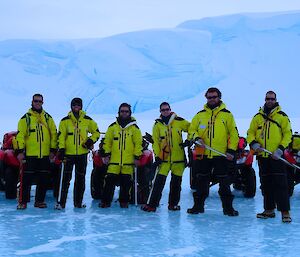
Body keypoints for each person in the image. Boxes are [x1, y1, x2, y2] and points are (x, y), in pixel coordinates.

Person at [187, 87, 239, 216]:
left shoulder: (227, 115)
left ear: (219, 97)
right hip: (204, 155)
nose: (212, 99)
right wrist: (196, 138)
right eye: (209, 97)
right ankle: (198, 207)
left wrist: (231, 150)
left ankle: (228, 209)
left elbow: (233, 134)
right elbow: (191, 130)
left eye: (214, 97)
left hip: (221, 156)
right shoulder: (200, 115)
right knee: (201, 183)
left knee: (224, 184)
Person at [247, 91, 292, 223]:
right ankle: (269, 210)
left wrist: (280, 150)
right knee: (266, 185)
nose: (270, 101)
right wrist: (254, 144)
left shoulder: (282, 117)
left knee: (281, 185)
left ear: (276, 100)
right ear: (265, 99)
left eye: (272, 99)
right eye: (268, 98)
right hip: (263, 157)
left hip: (276, 157)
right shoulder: (257, 117)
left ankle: (285, 212)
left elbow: (287, 135)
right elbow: (250, 133)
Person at [142, 102, 190, 212]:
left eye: (167, 109)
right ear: (160, 111)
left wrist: (189, 140)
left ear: (170, 109)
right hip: (164, 160)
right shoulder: (157, 125)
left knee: (176, 184)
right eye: (163, 110)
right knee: (158, 183)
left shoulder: (179, 121)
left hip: (178, 160)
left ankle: (173, 205)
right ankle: (152, 205)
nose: (165, 111)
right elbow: (155, 142)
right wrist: (158, 156)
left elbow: (191, 128)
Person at [15, 93, 57, 210]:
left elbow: (54, 134)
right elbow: (20, 136)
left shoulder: (48, 118)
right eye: (36, 101)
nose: (38, 103)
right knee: (25, 181)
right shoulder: (26, 118)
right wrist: (19, 151)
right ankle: (23, 202)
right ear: (32, 102)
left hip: (44, 155)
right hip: (30, 155)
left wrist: (53, 150)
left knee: (43, 180)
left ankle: (39, 201)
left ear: (43, 103)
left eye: (40, 101)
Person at [56, 97, 100, 209]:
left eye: (78, 105)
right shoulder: (65, 121)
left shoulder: (87, 120)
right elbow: (61, 137)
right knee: (65, 180)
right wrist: (61, 149)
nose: (76, 107)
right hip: (68, 155)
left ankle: (78, 203)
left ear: (81, 106)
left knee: (80, 180)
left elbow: (96, 132)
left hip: (82, 154)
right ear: (71, 106)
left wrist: (90, 140)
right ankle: (61, 203)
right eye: (74, 105)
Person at [100, 103, 143, 208]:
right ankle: (106, 201)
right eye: (122, 111)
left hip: (128, 162)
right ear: (118, 112)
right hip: (114, 162)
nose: (124, 113)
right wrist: (106, 154)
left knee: (126, 184)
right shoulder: (113, 127)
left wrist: (137, 157)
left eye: (126, 111)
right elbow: (107, 142)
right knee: (109, 182)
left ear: (130, 113)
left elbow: (138, 143)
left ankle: (124, 201)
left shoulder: (134, 129)